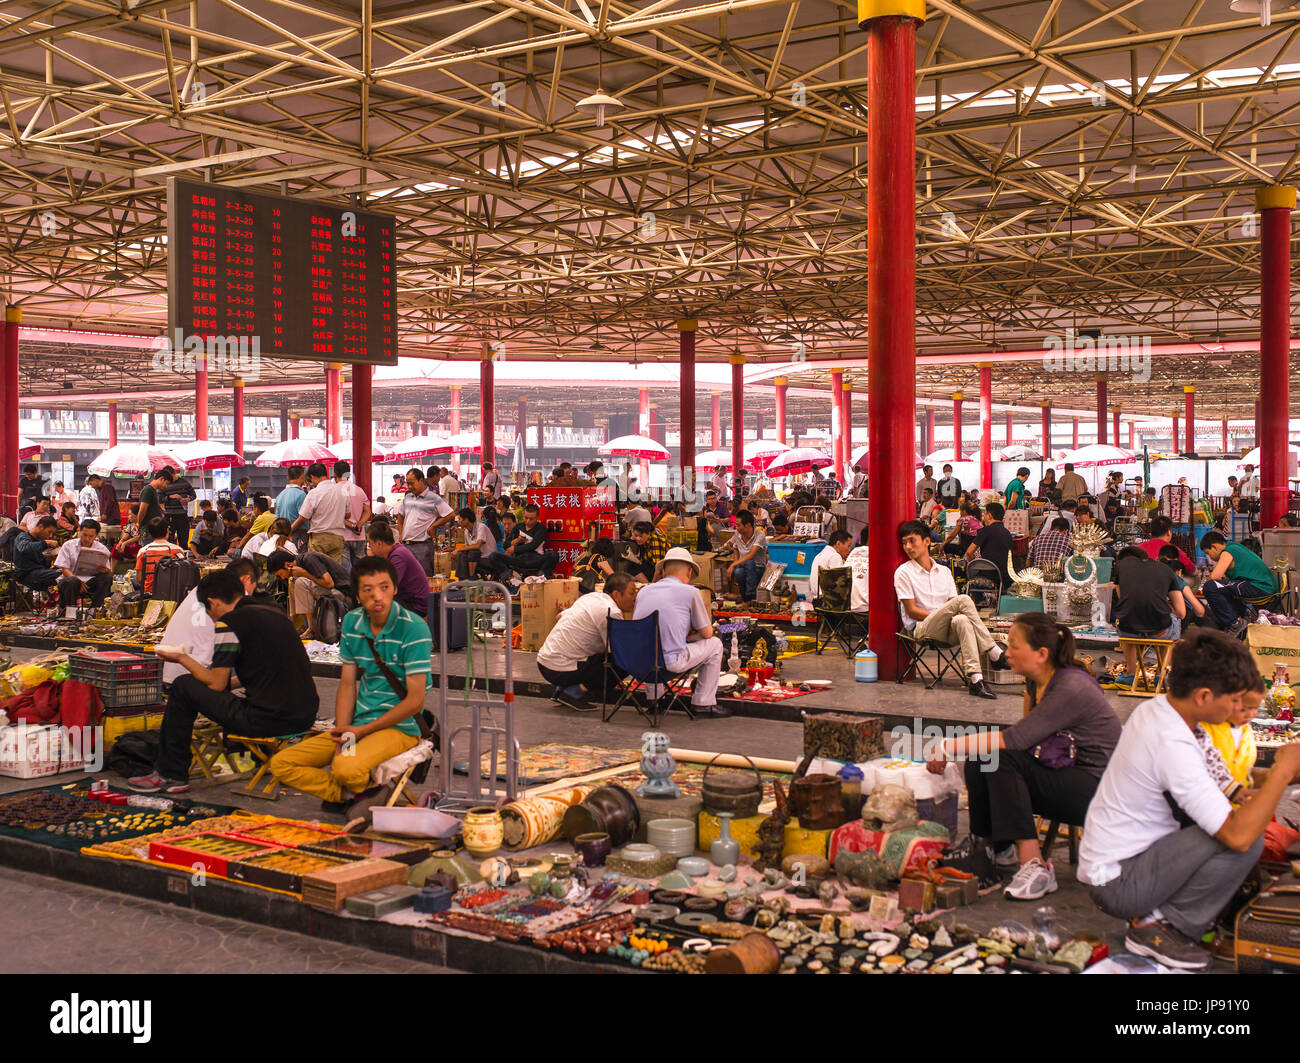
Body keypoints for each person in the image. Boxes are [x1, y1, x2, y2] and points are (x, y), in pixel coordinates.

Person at [1078, 629, 1300, 969]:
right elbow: (1237, 834)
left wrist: (1280, 776)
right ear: (1204, 696)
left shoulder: (1162, 711)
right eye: (1233, 700)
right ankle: (1159, 926)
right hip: (1118, 882)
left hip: (1132, 860)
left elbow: (1230, 785)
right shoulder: (1171, 740)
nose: (1237, 708)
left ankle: (1172, 919)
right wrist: (1282, 773)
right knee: (1247, 839)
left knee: (1244, 825)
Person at [928, 613, 1121, 900]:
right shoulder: (1035, 682)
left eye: (1014, 646)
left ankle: (1035, 865)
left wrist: (947, 747)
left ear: (1041, 654)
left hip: (1099, 790)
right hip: (1064, 772)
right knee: (983, 760)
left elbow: (1014, 740)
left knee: (1002, 757)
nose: (1007, 653)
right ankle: (991, 849)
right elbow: (1024, 737)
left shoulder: (1070, 687)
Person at [129, 569, 318, 794]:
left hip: (268, 720)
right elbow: (262, 673)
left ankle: (170, 773)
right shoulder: (275, 612)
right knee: (216, 691)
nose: (210, 618)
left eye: (207, 612)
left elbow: (216, 683)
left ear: (213, 603)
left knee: (182, 686)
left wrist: (181, 657)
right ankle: (251, 756)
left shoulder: (229, 622)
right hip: (305, 715)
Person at [269, 556, 432, 813]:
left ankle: (353, 791)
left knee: (344, 767)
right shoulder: (354, 623)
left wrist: (363, 730)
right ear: (356, 595)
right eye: (368, 590)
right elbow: (347, 685)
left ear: (395, 589)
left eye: (384, 587)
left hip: (400, 728)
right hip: (358, 724)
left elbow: (415, 701)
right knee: (282, 763)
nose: (377, 596)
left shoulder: (414, 629)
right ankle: (351, 794)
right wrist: (343, 733)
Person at [895, 520, 1009, 699]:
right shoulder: (903, 572)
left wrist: (948, 618)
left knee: (962, 620)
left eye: (912, 541)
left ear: (926, 541)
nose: (907, 547)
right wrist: (943, 617)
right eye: (904, 543)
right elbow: (911, 611)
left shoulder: (944, 572)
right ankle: (994, 651)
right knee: (963, 599)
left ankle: (976, 680)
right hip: (921, 628)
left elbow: (956, 608)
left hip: (947, 629)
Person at [632, 548, 726, 717]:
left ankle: (655, 700)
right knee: (715, 645)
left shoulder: (644, 591)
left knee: (653, 643)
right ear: (689, 572)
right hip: (670, 662)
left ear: (663, 571)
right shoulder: (690, 592)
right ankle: (703, 703)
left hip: (639, 662)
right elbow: (707, 634)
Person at [538, 572, 639, 708]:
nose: (635, 598)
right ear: (616, 594)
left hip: (544, 662)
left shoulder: (591, 597)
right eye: (632, 593)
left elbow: (559, 617)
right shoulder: (611, 611)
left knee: (601, 656)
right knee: (625, 661)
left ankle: (561, 690)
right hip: (559, 669)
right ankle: (573, 692)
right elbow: (619, 651)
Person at [1113, 545, 1185, 680]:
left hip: (1128, 630)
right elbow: (1181, 612)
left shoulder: (1121, 567)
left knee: (1127, 614)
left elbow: (1124, 600)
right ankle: (1161, 674)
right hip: (1160, 631)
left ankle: (1130, 673)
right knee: (1175, 619)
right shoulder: (1166, 569)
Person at [1200, 530, 1277, 637]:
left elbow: (1215, 577)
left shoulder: (1228, 551)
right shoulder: (1234, 546)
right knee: (1224, 589)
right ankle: (1240, 619)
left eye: (1208, 553)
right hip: (1264, 587)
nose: (1210, 557)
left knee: (1210, 587)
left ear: (1215, 547)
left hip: (1260, 587)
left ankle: (1235, 623)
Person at [266, 547, 348, 629]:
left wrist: (304, 573)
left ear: (287, 565)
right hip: (330, 593)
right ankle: (293, 625)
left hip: (342, 593)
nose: (282, 577)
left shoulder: (309, 559)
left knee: (300, 582)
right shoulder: (296, 569)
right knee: (293, 581)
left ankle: (311, 629)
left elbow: (329, 583)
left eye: (280, 574)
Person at [395, 468, 455, 575]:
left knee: (423, 578)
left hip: (422, 546)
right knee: (405, 578)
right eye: (407, 483)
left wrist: (434, 526)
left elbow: (450, 514)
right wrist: (400, 533)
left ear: (421, 480)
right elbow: (400, 516)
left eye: (412, 483)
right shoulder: (407, 497)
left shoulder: (434, 498)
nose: (409, 486)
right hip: (405, 545)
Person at [365, 519, 429, 616]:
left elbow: (388, 585)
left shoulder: (398, 555)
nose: (370, 547)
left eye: (370, 544)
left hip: (415, 605)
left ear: (379, 544)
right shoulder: (393, 553)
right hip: (405, 600)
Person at [290, 462, 347, 561]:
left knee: (318, 570)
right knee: (335, 570)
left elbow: (303, 518)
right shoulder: (342, 491)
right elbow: (348, 515)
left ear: (312, 477)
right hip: (337, 537)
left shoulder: (314, 493)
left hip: (319, 538)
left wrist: (289, 531)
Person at [53, 519, 113, 609]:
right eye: (84, 535)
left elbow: (107, 570)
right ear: (79, 532)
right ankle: (70, 613)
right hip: (70, 580)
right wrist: (77, 580)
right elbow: (64, 569)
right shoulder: (68, 545)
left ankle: (95, 610)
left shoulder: (101, 548)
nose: (87, 539)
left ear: (96, 535)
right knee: (72, 581)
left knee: (107, 577)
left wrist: (105, 570)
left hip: (90, 582)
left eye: (91, 536)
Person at [331, 461, 371, 574]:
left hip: (342, 536)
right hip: (359, 536)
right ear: (348, 474)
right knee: (361, 572)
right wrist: (359, 524)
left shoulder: (334, 491)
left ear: (335, 474)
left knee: (345, 573)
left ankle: (349, 592)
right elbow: (367, 511)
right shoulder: (359, 490)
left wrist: (351, 525)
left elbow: (334, 515)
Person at [503, 502, 558, 579]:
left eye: (531, 519)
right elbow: (505, 545)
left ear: (537, 517)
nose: (528, 521)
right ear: (523, 515)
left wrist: (515, 549)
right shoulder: (518, 527)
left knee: (553, 555)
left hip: (536, 559)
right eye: (526, 518)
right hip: (519, 559)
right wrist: (517, 540)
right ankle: (511, 580)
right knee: (494, 556)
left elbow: (532, 545)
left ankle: (541, 577)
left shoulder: (541, 529)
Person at [135, 517, 186, 594]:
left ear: (150, 533)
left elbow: (139, 579)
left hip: (150, 595)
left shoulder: (143, 551)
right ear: (167, 531)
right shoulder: (179, 550)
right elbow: (183, 576)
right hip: (173, 594)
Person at [724, 510, 768, 599]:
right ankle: (745, 596)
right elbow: (735, 548)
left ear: (747, 525)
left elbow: (751, 554)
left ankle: (749, 596)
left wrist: (732, 565)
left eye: (738, 525)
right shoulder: (737, 534)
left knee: (749, 563)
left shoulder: (760, 534)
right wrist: (735, 564)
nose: (736, 527)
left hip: (758, 568)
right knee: (738, 572)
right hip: (743, 566)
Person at [13, 516, 60, 597]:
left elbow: (41, 563)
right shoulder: (22, 536)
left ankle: (62, 606)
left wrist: (50, 559)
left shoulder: (38, 541)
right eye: (49, 532)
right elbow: (24, 548)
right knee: (61, 575)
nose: (50, 536)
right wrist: (46, 543)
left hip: (39, 572)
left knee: (65, 573)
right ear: (40, 527)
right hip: (26, 575)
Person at [966, 501, 1013, 577]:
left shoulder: (986, 530)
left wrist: (974, 564)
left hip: (988, 576)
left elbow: (969, 552)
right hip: (1004, 577)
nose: (983, 517)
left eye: (984, 514)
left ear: (989, 516)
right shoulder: (1007, 532)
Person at [451, 507, 499, 579]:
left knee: (472, 552)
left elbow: (477, 546)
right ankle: (462, 581)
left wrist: (458, 549)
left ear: (466, 519)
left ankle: (471, 579)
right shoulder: (466, 531)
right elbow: (467, 547)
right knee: (463, 555)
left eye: (460, 518)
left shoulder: (481, 527)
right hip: (477, 558)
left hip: (488, 559)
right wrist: (451, 549)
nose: (458, 521)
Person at [808, 530, 854, 601]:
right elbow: (841, 584)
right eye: (848, 546)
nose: (849, 550)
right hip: (826, 602)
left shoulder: (820, 555)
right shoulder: (834, 556)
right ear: (838, 544)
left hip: (816, 599)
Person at [626, 520, 671, 584]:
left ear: (648, 533)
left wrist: (653, 585)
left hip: (664, 570)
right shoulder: (645, 541)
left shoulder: (655, 541)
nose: (638, 538)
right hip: (653, 566)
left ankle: (649, 585)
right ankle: (647, 583)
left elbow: (658, 567)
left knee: (633, 567)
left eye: (640, 536)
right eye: (636, 536)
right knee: (632, 565)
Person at [135, 467, 173, 539]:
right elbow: (142, 509)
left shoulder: (154, 491)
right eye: (166, 483)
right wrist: (138, 523)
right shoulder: (148, 490)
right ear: (162, 479)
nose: (166, 486)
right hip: (148, 530)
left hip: (153, 530)